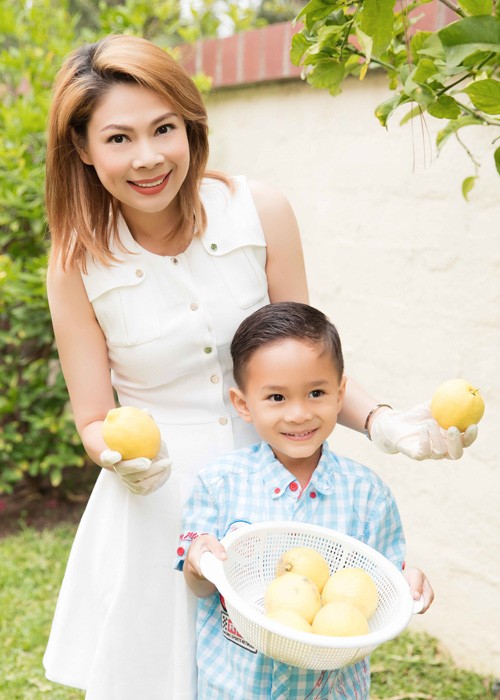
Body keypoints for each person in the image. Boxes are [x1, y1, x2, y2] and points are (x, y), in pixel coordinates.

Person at [43, 34, 469, 699]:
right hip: (156, 504)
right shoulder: (76, 264)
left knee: (277, 671)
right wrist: (123, 459)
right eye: (119, 139)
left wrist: (385, 424)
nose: (149, 157)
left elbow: (302, 361)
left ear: (191, 125)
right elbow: (95, 418)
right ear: (83, 149)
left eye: (164, 129)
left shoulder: (259, 211)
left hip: (272, 492)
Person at [178, 301, 434, 699]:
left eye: (316, 392)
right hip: (236, 686)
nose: (299, 414)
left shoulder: (367, 495)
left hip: (329, 689)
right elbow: (199, 586)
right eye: (277, 398)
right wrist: (197, 562)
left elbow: (383, 585)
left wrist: (408, 584)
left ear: (340, 394)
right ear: (243, 404)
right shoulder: (219, 484)